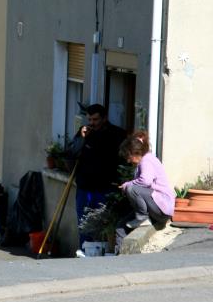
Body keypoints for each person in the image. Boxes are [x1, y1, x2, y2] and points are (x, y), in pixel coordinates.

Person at [66, 104, 127, 250]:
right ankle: (85, 251)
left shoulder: (116, 134)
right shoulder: (85, 134)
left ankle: (103, 253)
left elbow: (123, 159)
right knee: (84, 223)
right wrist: (81, 138)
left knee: (104, 224)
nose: (92, 123)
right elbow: (71, 153)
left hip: (105, 188)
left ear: (104, 118)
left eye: (95, 119)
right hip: (85, 187)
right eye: (90, 119)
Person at [119, 131, 174, 229]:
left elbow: (145, 181)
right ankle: (119, 244)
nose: (128, 161)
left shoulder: (146, 160)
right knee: (121, 227)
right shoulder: (145, 160)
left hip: (162, 207)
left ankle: (142, 218)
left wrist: (127, 184)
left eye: (128, 157)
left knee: (131, 189)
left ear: (134, 152)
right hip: (158, 207)